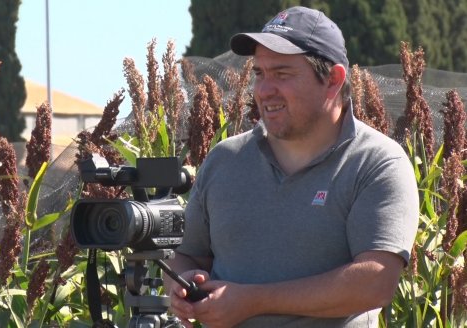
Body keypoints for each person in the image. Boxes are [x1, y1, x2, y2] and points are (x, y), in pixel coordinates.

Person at [167, 6, 419, 328]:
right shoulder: (225, 160)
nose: (263, 89)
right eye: (259, 73)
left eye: (282, 74)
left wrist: (251, 301)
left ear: (333, 80)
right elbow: (187, 254)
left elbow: (374, 282)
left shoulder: (377, 163)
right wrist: (182, 283)